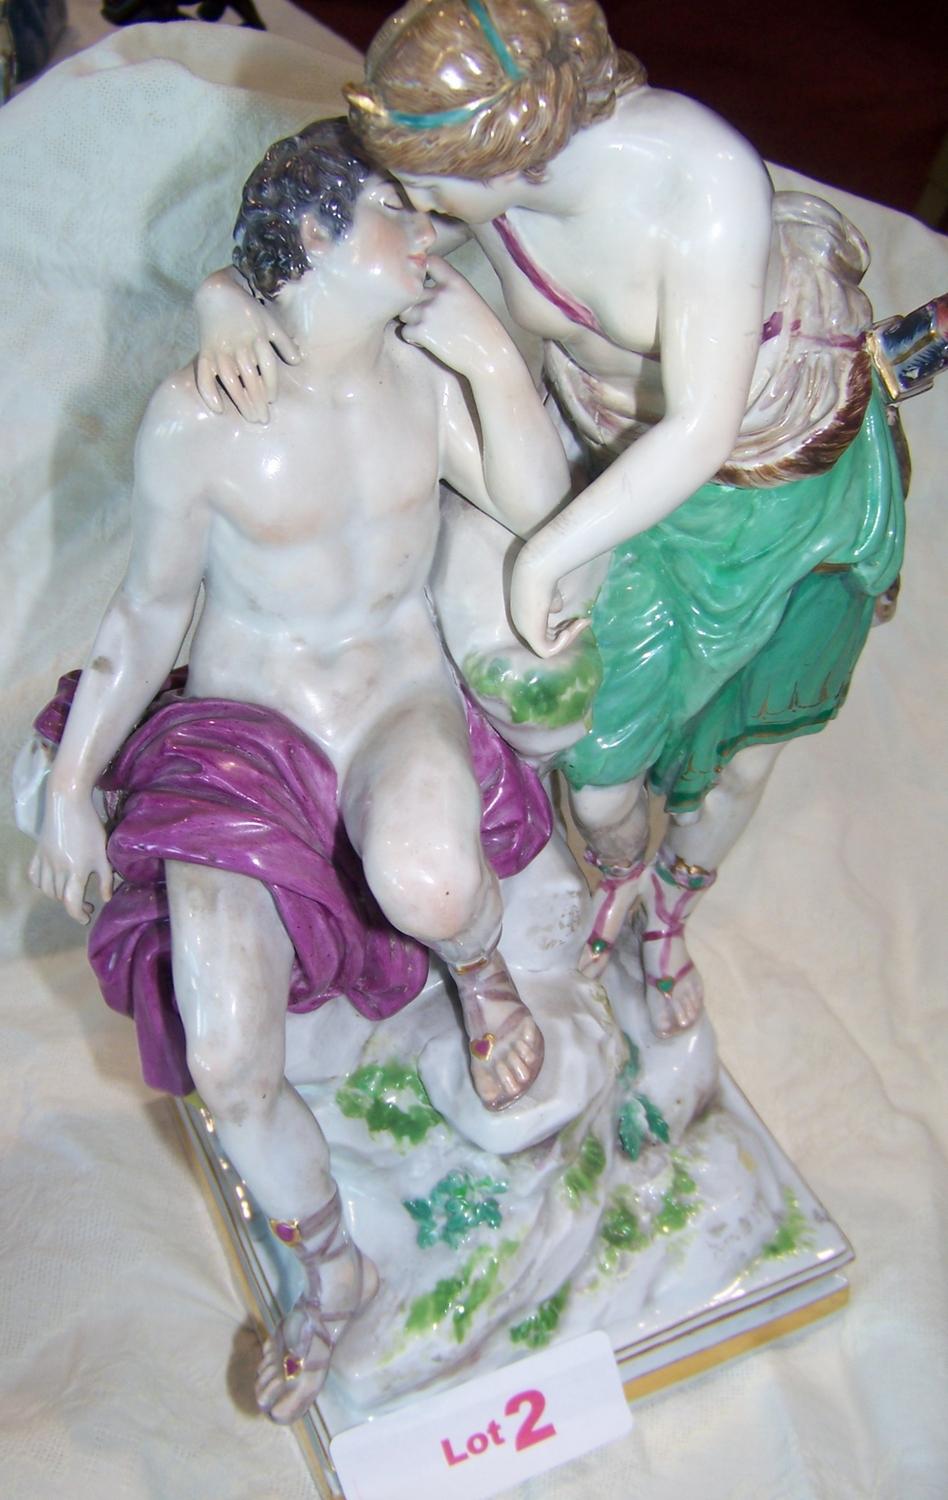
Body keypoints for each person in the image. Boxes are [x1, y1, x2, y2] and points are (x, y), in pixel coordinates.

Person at [195, 0, 904, 1040]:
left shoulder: (700, 180)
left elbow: (699, 429)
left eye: (431, 191)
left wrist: (544, 558)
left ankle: (671, 916)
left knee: (740, 754)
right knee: (601, 767)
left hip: (769, 500)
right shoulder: (459, 165)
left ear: (505, 155)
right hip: (599, 471)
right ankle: (617, 871)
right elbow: (325, 224)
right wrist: (229, 295)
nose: (420, 215)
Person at [28, 117, 569, 1423]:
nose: (431, 234)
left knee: (432, 879)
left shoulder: (424, 374)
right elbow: (148, 611)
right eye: (399, 212)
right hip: (242, 741)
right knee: (227, 1058)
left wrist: (494, 359)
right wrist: (72, 785)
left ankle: (483, 976)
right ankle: (330, 1269)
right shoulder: (199, 416)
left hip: (396, 700)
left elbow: (534, 503)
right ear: (319, 237)